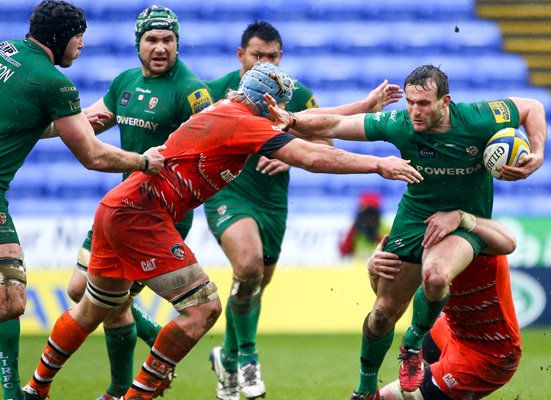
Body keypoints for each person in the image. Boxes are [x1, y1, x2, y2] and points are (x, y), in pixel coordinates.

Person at [21, 62, 421, 400]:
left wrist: (363, 107)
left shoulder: (230, 110)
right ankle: (140, 392)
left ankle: (34, 390)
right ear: (268, 102)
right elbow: (310, 156)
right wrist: (377, 164)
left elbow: (304, 129)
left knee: (94, 307)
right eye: (279, 108)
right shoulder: (243, 122)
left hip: (119, 206)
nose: (281, 115)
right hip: (141, 213)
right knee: (204, 307)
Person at [269, 64, 546, 397]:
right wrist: (294, 121)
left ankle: (412, 345)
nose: (414, 110)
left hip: (462, 221)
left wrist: (538, 153)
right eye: (411, 102)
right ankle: (365, 388)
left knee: (436, 276)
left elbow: (533, 107)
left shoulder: (479, 118)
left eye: (424, 103)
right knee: (383, 313)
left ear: (446, 101)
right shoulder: (400, 125)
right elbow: (338, 124)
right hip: (415, 217)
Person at [204, 21, 402, 400]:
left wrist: (288, 156)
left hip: (273, 202)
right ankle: (247, 358)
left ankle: (227, 356)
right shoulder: (215, 91)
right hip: (228, 192)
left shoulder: (290, 93)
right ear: (240, 55)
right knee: (247, 267)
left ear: (281, 57)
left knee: (253, 284)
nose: (265, 62)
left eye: (272, 56)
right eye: (257, 55)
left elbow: (323, 135)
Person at [0, 1, 165, 399]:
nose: (82, 47)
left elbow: (18, 123)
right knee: (10, 294)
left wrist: (69, 125)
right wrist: (145, 160)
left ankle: (12, 391)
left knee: (9, 298)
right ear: (61, 38)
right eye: (79, 38)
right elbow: (93, 157)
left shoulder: (7, 51)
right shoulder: (55, 84)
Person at [64, 5, 213, 400]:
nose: (160, 47)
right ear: (138, 44)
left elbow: (211, 145)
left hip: (160, 216)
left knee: (111, 302)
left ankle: (117, 391)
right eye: (152, 39)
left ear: (178, 44)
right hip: (120, 208)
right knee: (80, 289)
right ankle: (155, 340)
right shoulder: (124, 82)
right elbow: (90, 120)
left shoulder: (192, 91)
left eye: (168, 40)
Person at [368, 214, 521, 399]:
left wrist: (461, 217)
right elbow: (390, 302)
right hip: (450, 330)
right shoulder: (423, 233)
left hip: (490, 355)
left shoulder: (477, 231)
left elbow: (510, 242)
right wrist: (374, 272)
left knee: (394, 397)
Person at [339, 192, 384, 259]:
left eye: (371, 212)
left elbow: (391, 250)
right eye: (366, 213)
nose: (368, 217)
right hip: (358, 267)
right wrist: (356, 229)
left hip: (380, 265)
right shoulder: (356, 227)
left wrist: (375, 235)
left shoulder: (385, 226)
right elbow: (344, 250)